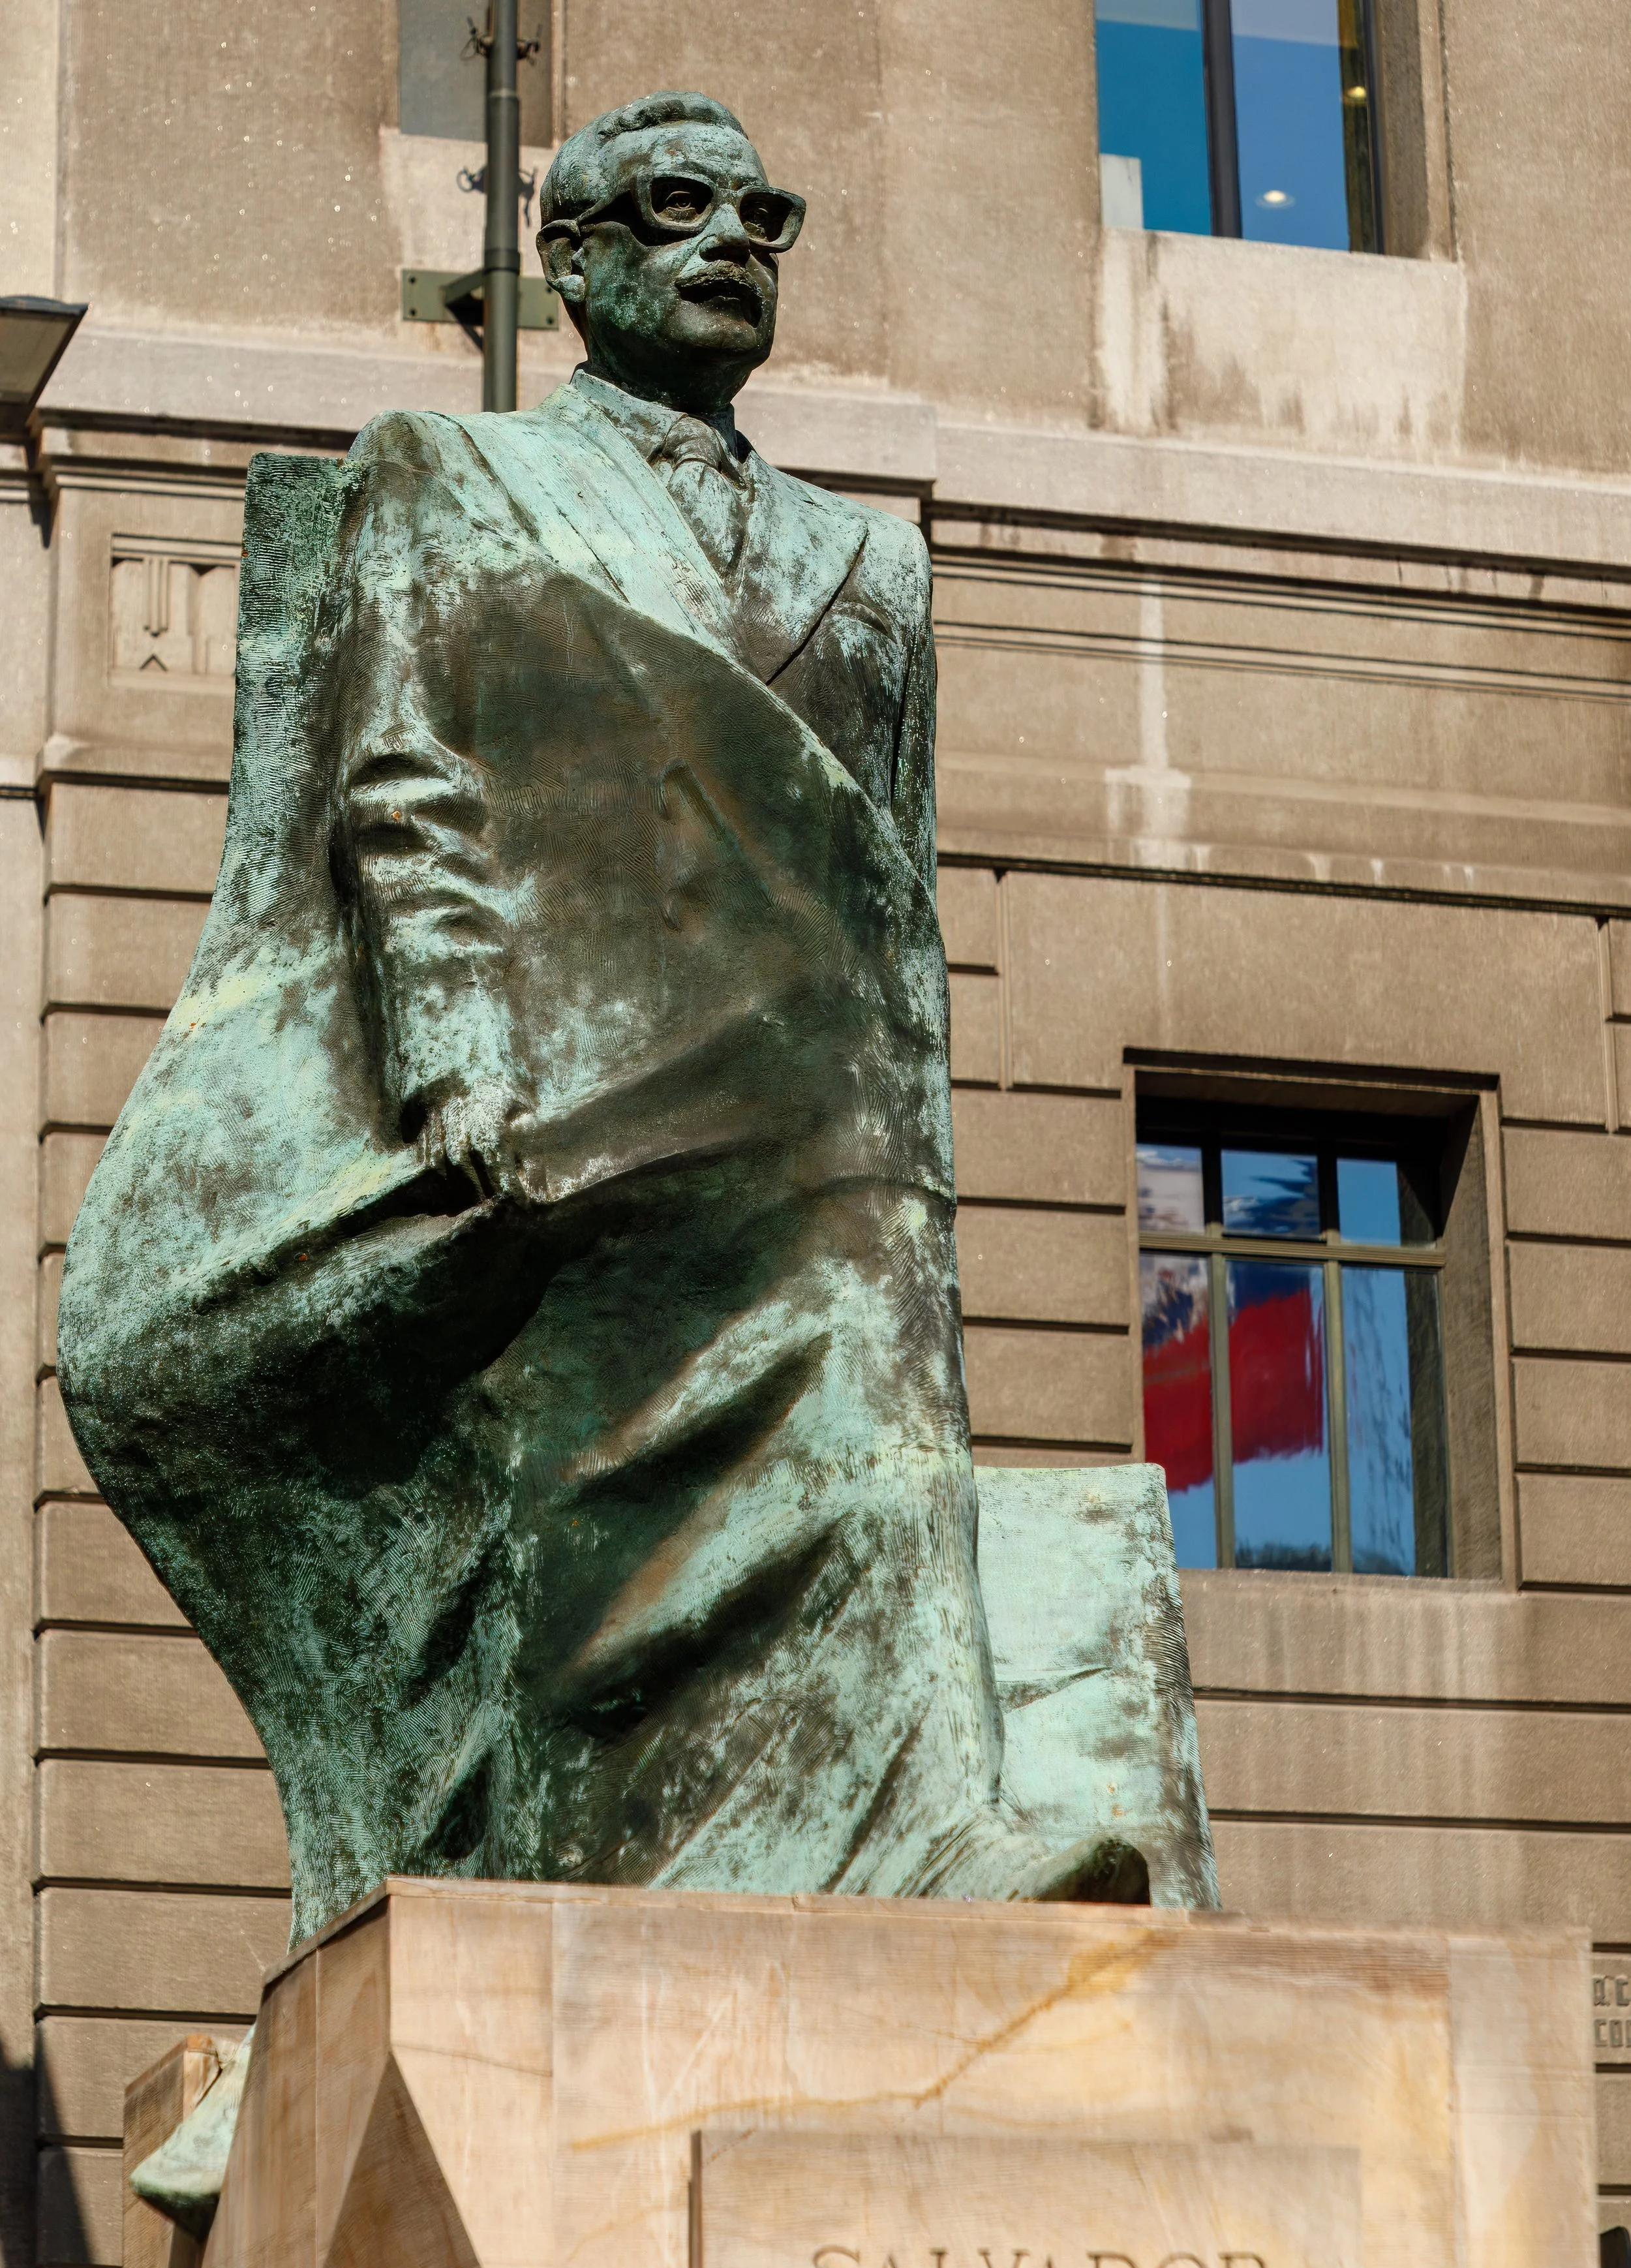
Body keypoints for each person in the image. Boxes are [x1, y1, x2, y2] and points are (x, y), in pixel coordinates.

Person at [57, 91, 1148, 1950]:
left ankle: (920, 1817)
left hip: (809, 1126)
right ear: (570, 258)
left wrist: (907, 1160)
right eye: (677, 205)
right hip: (562, 1090)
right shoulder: (449, 475)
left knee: (871, 1334)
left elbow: (888, 902)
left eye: (764, 216)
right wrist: (452, 1056)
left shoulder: (874, 567)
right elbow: (402, 782)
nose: (732, 243)